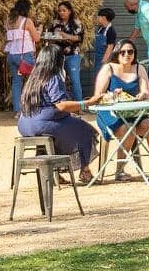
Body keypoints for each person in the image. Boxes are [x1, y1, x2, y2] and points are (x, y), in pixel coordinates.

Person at [17, 44, 97, 181]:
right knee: (86, 130)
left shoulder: (33, 78)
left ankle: (54, 173)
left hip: (24, 125)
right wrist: (87, 103)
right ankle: (85, 170)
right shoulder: (52, 77)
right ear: (58, 61)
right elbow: (61, 105)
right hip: (44, 124)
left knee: (60, 132)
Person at [90, 38, 149, 181]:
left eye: (130, 51)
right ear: (117, 53)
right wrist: (111, 95)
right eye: (123, 52)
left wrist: (144, 94)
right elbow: (97, 97)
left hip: (133, 113)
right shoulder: (108, 69)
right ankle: (119, 171)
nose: (127, 55)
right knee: (130, 129)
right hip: (110, 113)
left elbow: (146, 92)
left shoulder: (139, 68)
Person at [3, 0, 39, 114]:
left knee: (16, 82)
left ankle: (17, 111)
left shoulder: (9, 21)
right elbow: (36, 38)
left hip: (11, 55)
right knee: (34, 80)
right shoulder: (27, 21)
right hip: (25, 55)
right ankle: (33, 108)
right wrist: (40, 30)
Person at [49, 0, 84, 100]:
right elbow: (51, 36)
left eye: (64, 10)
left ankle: (79, 106)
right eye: (60, 11)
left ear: (70, 11)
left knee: (75, 80)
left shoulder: (76, 23)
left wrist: (65, 35)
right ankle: (59, 104)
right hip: (57, 55)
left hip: (73, 55)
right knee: (57, 79)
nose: (61, 13)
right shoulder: (55, 23)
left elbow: (79, 38)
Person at [92, 7, 119, 73]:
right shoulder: (100, 28)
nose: (97, 18)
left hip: (105, 59)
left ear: (103, 18)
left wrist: (104, 62)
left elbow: (110, 48)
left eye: (98, 17)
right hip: (98, 58)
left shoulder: (111, 31)